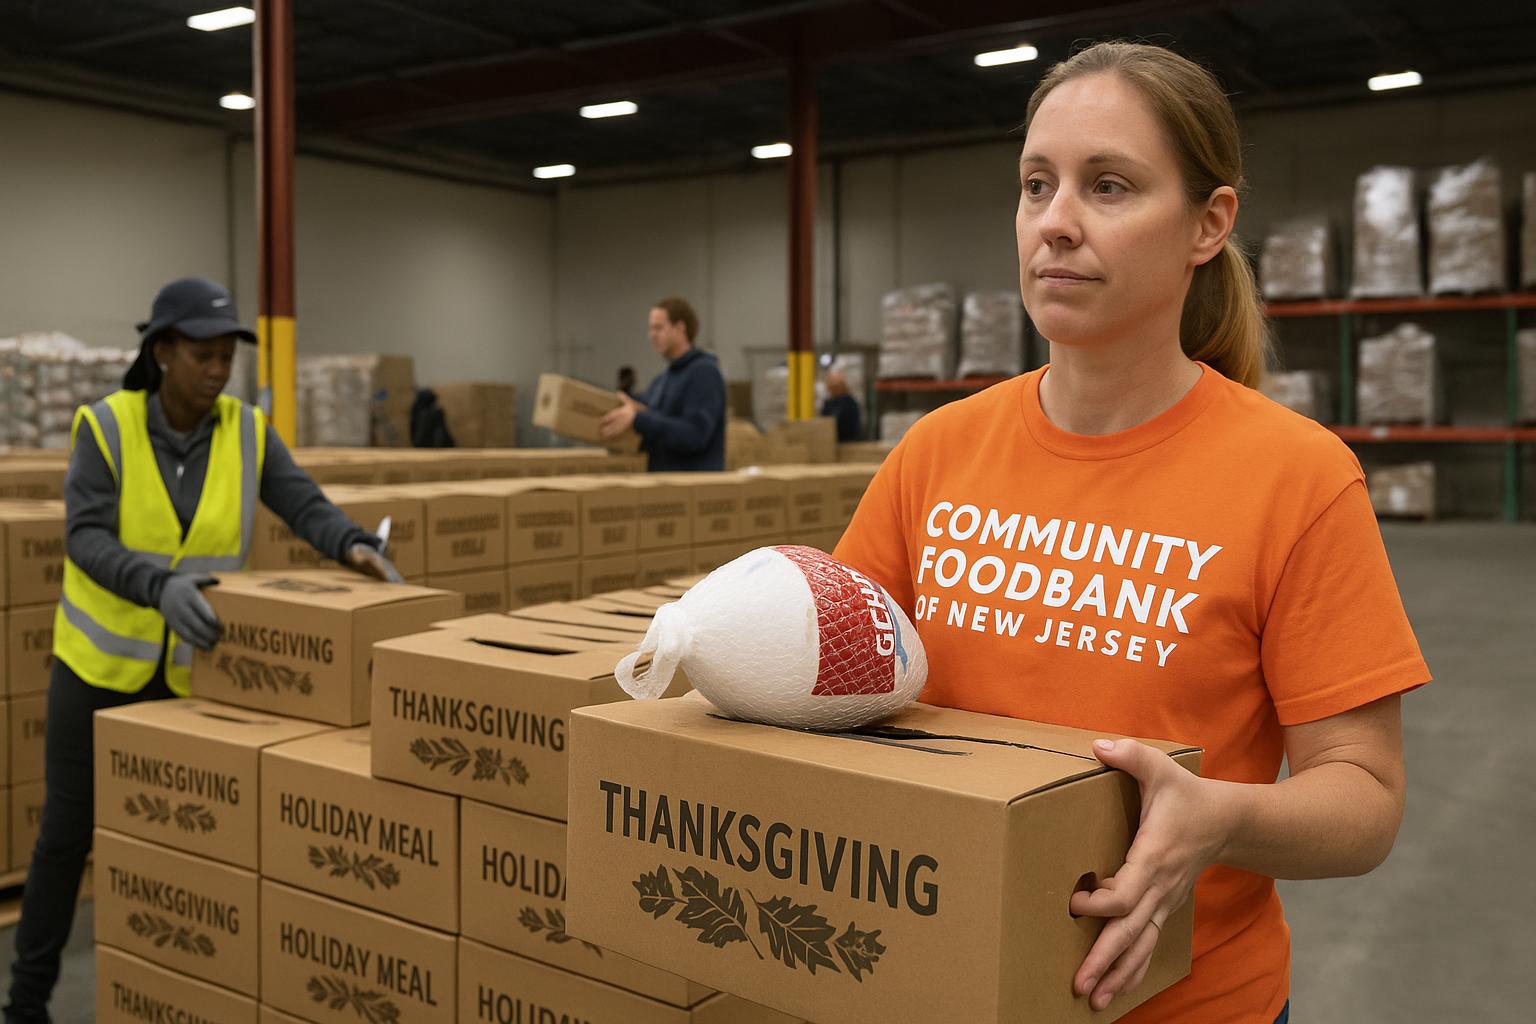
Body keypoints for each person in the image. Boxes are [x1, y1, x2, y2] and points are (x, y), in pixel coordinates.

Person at [833, 42, 1428, 1024]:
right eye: (1036, 185)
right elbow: (840, 675)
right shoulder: (936, 453)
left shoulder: (1298, 476)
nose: (1055, 223)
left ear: (1208, 224)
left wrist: (1218, 817)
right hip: (939, 985)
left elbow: (1364, 800)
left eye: (1108, 186)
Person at [4, 277, 401, 1022]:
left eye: (226, 356)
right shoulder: (106, 426)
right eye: (203, 355)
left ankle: (175, 990)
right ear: (162, 354)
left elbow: (302, 502)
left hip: (191, 680)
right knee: (65, 839)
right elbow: (85, 538)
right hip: (96, 673)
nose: (218, 369)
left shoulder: (247, 432)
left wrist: (352, 545)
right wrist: (157, 586)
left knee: (177, 843)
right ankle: (25, 1003)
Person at [599, 297, 726, 472]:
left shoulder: (703, 373)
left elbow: (695, 435)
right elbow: (657, 421)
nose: (652, 335)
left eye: (658, 328)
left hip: (691, 488)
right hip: (664, 484)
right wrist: (633, 407)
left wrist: (638, 419)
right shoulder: (663, 379)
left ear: (680, 328)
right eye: (650, 329)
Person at [819, 369, 862, 441]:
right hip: (831, 442)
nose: (833, 389)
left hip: (848, 442)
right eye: (831, 386)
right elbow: (824, 421)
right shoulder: (829, 403)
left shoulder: (849, 402)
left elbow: (845, 424)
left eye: (836, 386)